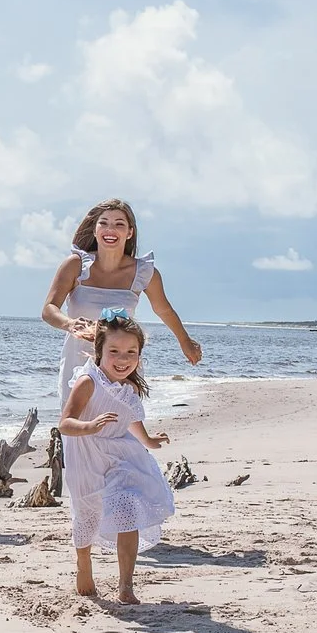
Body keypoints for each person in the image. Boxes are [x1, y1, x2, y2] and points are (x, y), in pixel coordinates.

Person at [40, 198, 203, 420]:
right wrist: (69, 324)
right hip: (79, 359)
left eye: (119, 224)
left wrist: (185, 341)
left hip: (123, 362)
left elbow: (164, 310)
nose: (110, 230)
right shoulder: (76, 265)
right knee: (77, 429)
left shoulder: (144, 272)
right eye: (104, 223)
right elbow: (49, 309)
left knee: (122, 429)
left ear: (129, 233)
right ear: (95, 230)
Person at [61, 308, 176, 602]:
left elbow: (129, 416)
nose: (123, 359)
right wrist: (89, 426)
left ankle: (126, 586)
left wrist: (148, 439)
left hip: (120, 455)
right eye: (114, 351)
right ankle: (83, 561)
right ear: (99, 350)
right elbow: (65, 422)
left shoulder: (130, 385)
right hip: (87, 454)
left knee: (129, 508)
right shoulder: (88, 382)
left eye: (131, 352)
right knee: (87, 515)